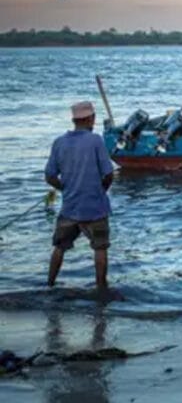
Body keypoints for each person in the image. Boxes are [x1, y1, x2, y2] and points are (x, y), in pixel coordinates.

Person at [45, 101, 115, 294]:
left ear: (74, 120)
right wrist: (101, 191)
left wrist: (65, 189)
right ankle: (101, 289)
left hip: (70, 207)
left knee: (59, 247)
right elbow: (109, 174)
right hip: (95, 208)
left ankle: (49, 285)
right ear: (91, 119)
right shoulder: (96, 141)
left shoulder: (59, 142)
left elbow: (50, 176)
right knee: (100, 249)